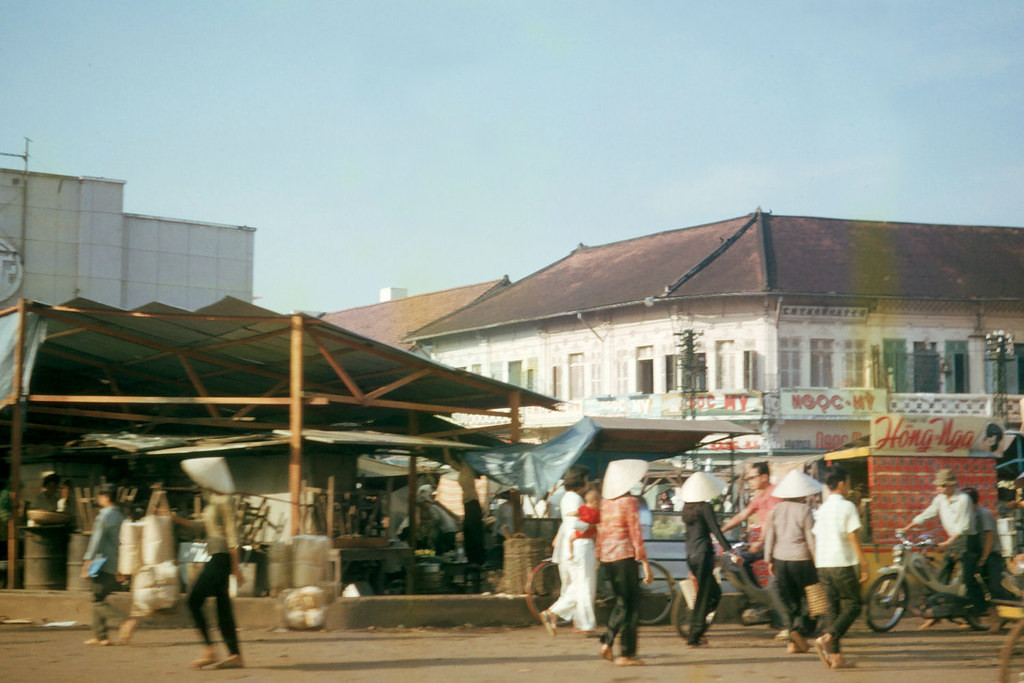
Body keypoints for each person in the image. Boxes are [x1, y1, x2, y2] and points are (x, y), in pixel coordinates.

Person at [180, 457, 244, 670]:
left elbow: (232, 537)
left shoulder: (225, 501)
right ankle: (235, 655)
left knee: (194, 600)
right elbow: (201, 527)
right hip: (215, 557)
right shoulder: (213, 500)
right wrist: (175, 519)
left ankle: (210, 650)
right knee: (222, 608)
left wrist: (236, 569)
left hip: (221, 558)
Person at [899, 468, 985, 627]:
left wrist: (947, 543)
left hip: (968, 540)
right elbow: (927, 514)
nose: (939, 488)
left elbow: (963, 527)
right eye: (938, 485)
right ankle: (939, 612)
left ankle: (984, 611)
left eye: (943, 485)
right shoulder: (940, 499)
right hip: (954, 539)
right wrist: (907, 528)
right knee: (942, 575)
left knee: (967, 577)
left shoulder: (963, 499)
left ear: (952, 485)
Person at [596, 459, 654, 667]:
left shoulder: (605, 503)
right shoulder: (629, 502)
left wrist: (598, 556)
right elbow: (635, 534)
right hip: (625, 558)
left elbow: (601, 533)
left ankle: (608, 642)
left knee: (621, 602)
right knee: (631, 606)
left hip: (608, 559)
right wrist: (645, 563)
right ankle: (627, 654)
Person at [812, 464, 867, 670]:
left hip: (824, 564)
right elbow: (852, 535)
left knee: (833, 611)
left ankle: (836, 657)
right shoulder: (847, 506)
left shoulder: (822, 508)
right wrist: (863, 564)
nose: (849, 487)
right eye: (849, 483)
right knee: (853, 605)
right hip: (841, 562)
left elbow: (817, 535)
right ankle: (828, 637)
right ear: (842, 483)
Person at [720, 461, 785, 634]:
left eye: (752, 477)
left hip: (776, 544)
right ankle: (756, 597)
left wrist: (761, 542)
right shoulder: (759, 497)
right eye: (748, 478)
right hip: (765, 543)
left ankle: (771, 609)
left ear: (764, 477)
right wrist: (720, 530)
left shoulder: (774, 495)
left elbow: (771, 522)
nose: (750, 481)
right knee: (735, 559)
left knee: (772, 579)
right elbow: (743, 514)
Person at [679, 471, 740, 649]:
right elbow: (716, 531)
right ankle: (694, 636)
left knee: (713, 595)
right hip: (703, 554)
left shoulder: (687, 509)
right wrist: (730, 551)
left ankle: (698, 630)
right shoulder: (704, 507)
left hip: (691, 555)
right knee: (706, 597)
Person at [764, 469, 821, 655]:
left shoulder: (776, 509)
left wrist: (769, 560)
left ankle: (792, 642)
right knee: (809, 600)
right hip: (802, 560)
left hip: (780, 560)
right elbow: (811, 540)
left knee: (790, 600)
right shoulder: (805, 510)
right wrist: (817, 562)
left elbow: (770, 537)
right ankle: (799, 632)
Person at [541, 465, 596, 636]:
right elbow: (576, 524)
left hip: (575, 546)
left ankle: (580, 622)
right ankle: (554, 613)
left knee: (579, 585)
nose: (588, 482)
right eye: (586, 479)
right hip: (581, 545)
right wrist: (592, 523)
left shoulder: (569, 498)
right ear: (580, 481)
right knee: (584, 585)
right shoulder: (574, 499)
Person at [79, 484, 126, 646]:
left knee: (97, 600)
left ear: (106, 497)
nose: (98, 500)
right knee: (99, 596)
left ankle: (123, 622)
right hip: (116, 562)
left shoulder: (103, 517)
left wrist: (87, 562)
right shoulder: (121, 516)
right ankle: (101, 636)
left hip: (101, 562)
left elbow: (96, 541)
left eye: (100, 497)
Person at [962, 486, 1014, 603]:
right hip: (980, 554)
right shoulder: (970, 515)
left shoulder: (983, 514)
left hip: (991, 554)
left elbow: (989, 538)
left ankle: (1008, 608)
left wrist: (984, 559)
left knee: (996, 586)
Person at [445, 453, 486, 566]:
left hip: (472, 501)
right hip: (467, 502)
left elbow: (460, 450)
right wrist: (446, 447)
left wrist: (455, 439)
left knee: (473, 530)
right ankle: (472, 559)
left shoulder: (469, 465)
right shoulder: (462, 467)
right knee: (468, 531)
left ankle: (477, 559)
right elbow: (449, 459)